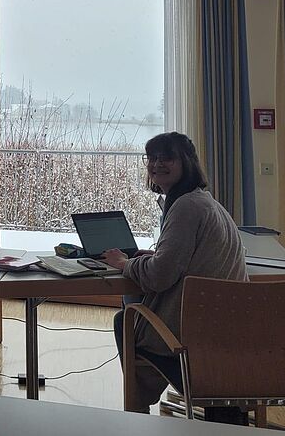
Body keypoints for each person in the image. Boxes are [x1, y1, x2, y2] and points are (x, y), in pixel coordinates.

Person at [103, 131, 248, 424]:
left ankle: (138, 413)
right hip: (225, 326)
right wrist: (152, 256)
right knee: (134, 307)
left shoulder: (185, 207)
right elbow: (178, 260)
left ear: (186, 162)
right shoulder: (204, 201)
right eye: (152, 158)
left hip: (193, 331)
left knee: (126, 320)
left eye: (166, 157)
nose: (157, 164)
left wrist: (123, 263)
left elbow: (159, 277)